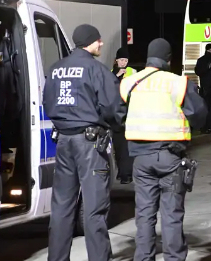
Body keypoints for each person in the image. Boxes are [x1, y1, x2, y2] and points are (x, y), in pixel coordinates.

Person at [120, 38, 207, 261]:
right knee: (171, 215)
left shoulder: (130, 82)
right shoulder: (177, 83)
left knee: (144, 215)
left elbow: (115, 114)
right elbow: (199, 114)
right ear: (169, 58)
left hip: (140, 158)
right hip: (170, 156)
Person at [43, 24, 124, 261]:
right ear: (89, 42)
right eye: (98, 40)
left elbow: (48, 103)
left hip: (64, 141)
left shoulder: (56, 69)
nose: (101, 44)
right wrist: (117, 125)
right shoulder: (96, 70)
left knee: (62, 207)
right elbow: (113, 108)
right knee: (94, 209)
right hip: (89, 144)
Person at [112, 47, 137, 184]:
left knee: (127, 145)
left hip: (129, 112)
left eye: (126, 60)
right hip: (115, 114)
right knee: (118, 145)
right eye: (121, 60)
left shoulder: (132, 72)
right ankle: (121, 172)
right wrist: (116, 77)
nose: (123, 63)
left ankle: (126, 174)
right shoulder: (110, 73)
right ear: (116, 60)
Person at [194, 43, 211, 134]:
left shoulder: (202, 60)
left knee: (207, 108)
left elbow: (197, 71)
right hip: (210, 88)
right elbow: (198, 71)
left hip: (206, 88)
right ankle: (208, 127)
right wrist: (208, 68)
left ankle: (205, 127)